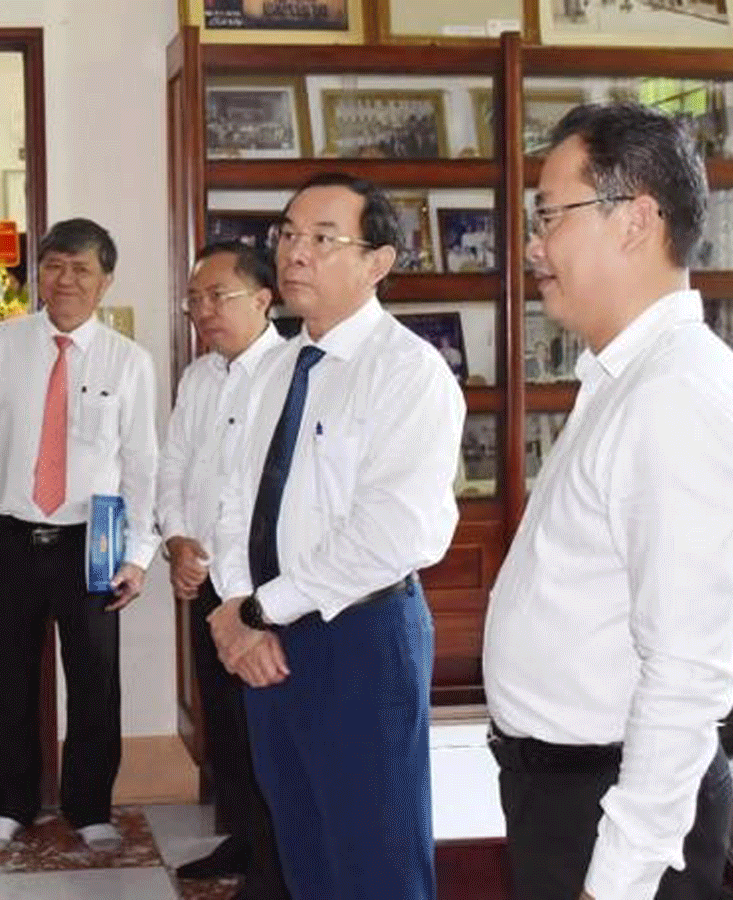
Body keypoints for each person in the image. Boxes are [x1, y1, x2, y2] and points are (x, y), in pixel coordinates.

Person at [482, 102, 733, 900]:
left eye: (550, 216)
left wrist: (616, 880)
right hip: (567, 790)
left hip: (613, 808)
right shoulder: (626, 377)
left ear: (636, 220)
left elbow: (684, 673)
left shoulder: (679, 394)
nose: (534, 247)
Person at [207, 173, 466, 900]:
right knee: (303, 851)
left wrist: (261, 610)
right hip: (265, 641)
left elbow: (389, 534)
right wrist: (237, 609)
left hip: (361, 637)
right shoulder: (273, 368)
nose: (294, 252)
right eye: (288, 234)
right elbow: (234, 502)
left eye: (323, 238)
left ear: (378, 262)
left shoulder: (408, 373)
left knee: (377, 863)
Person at [0, 217, 158, 853]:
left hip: (91, 542)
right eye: (54, 266)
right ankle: (11, 805)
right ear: (38, 272)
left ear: (105, 282)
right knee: (8, 677)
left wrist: (140, 555)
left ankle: (90, 805)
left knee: (95, 680)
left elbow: (141, 460)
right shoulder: (0, 344)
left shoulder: (129, 361)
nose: (66, 280)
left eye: (82, 269)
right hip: (9, 533)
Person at [157, 242, 289, 900]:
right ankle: (243, 839)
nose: (202, 311)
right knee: (226, 726)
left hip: (265, 590)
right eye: (194, 300)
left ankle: (274, 867)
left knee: (267, 731)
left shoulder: (291, 371)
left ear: (263, 299)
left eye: (218, 296)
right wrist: (177, 540)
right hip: (205, 580)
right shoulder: (199, 376)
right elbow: (174, 467)